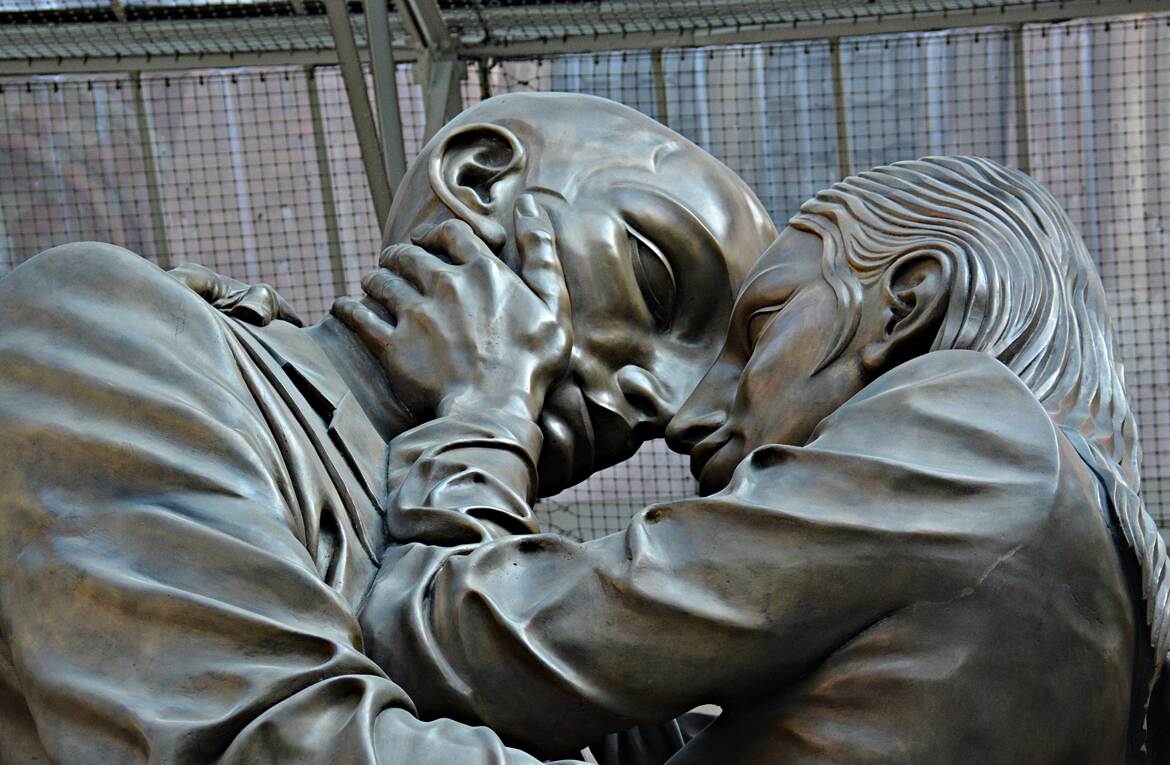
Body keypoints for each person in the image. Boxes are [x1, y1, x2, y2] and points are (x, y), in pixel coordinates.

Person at [0, 93, 776, 763]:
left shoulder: (532, 590)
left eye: (704, 386)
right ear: (478, 180)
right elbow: (264, 739)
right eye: (654, 278)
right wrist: (484, 412)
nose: (659, 399)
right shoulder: (109, 324)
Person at [356, 156, 1169, 763]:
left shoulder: (977, 431)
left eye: (759, 330)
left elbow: (451, 644)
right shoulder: (1087, 573)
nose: (686, 414)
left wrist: (484, 404)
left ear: (907, 305)